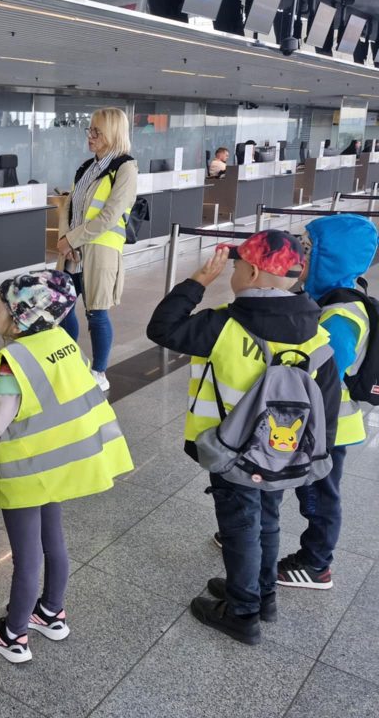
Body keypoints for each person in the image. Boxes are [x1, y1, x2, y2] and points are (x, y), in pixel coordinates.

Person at [147, 230, 341, 645]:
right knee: (267, 521)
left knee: (240, 528)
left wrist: (197, 282)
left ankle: (242, 611)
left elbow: (162, 329)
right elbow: (327, 408)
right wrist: (312, 460)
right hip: (282, 456)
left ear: (251, 273)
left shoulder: (222, 325)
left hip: (230, 453)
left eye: (236, 267)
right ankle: (262, 594)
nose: (232, 274)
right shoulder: (318, 335)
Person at [0, 271, 133, 663]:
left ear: (18, 319)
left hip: (27, 472)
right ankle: (51, 612)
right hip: (63, 465)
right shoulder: (61, 341)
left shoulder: (12, 364)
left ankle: (13, 634)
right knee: (54, 543)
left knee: (26, 556)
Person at [278, 215, 378, 590]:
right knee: (283, 477)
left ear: (330, 257)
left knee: (319, 494)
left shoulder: (341, 312)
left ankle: (316, 563)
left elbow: (325, 372)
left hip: (328, 425)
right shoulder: (325, 297)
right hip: (313, 418)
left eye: (308, 249)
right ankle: (251, 528)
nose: (300, 255)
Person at [57, 107, 138, 393]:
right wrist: (66, 240)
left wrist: (72, 239)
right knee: (62, 307)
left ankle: (99, 372)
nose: (90, 136)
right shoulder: (86, 167)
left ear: (113, 133)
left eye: (97, 132)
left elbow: (109, 216)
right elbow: (68, 207)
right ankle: (71, 362)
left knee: (97, 313)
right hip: (73, 251)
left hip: (100, 252)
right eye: (89, 130)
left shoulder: (125, 168)